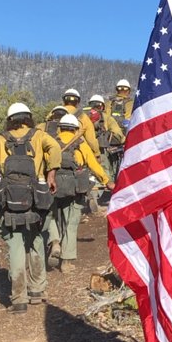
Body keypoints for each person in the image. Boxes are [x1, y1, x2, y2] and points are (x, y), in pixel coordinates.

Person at [0, 102, 61, 313]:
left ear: (10, 120)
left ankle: (19, 300)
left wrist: (0, 184)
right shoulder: (39, 136)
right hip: (37, 201)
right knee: (36, 240)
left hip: (9, 205)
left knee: (16, 246)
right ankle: (37, 291)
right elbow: (55, 148)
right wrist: (51, 173)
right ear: (28, 118)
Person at [43, 112, 114, 273]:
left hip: (53, 186)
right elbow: (93, 164)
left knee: (50, 215)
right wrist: (106, 181)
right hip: (74, 188)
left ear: (60, 128)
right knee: (71, 223)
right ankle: (66, 263)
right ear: (75, 129)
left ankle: (54, 240)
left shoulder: (50, 143)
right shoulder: (80, 144)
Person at [103, 79, 134, 180]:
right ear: (128, 91)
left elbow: (105, 118)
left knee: (107, 161)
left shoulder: (109, 102)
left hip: (110, 136)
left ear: (117, 90)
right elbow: (129, 118)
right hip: (124, 136)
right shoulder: (130, 102)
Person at [62, 88, 100, 158]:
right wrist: (97, 154)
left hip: (54, 150)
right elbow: (91, 139)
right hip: (76, 152)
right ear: (78, 102)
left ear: (64, 101)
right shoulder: (83, 117)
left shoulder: (53, 113)